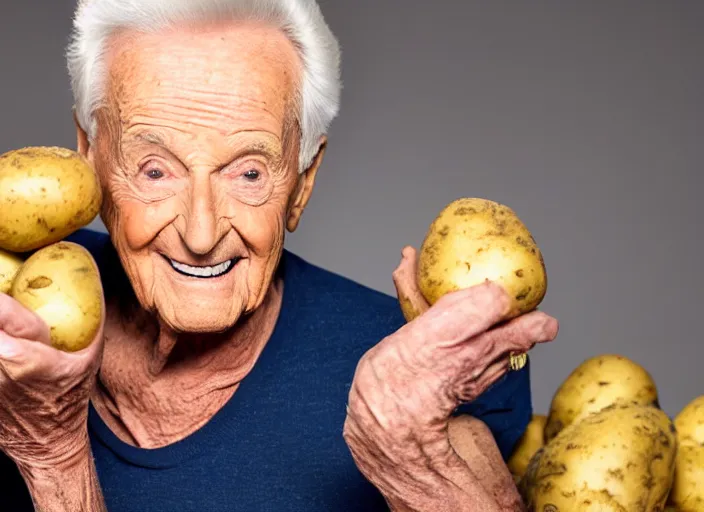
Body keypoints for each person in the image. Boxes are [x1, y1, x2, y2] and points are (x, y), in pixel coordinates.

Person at [0, 0, 559, 510]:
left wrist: (51, 453)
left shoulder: (427, 376)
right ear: (89, 155)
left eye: (248, 172)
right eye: (155, 170)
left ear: (303, 180)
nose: (200, 232)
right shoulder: (16, 308)